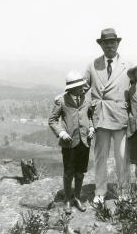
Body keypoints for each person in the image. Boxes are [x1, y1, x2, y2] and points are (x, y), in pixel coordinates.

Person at [84, 28, 133, 203]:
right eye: (106, 43)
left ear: (117, 43)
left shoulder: (128, 66)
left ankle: (124, 191)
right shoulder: (93, 65)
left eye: (112, 42)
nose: (109, 45)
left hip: (120, 117)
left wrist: (131, 106)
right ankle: (100, 191)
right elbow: (83, 88)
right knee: (100, 156)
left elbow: (136, 88)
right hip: (100, 117)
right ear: (101, 45)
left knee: (121, 156)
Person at [48, 70, 95, 214]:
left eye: (83, 85)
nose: (83, 88)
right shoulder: (61, 101)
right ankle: (68, 200)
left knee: (80, 172)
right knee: (68, 173)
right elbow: (52, 120)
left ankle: (77, 198)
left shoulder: (86, 100)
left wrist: (92, 127)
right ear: (71, 88)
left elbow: (91, 116)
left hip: (84, 142)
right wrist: (61, 133)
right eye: (80, 86)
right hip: (69, 144)